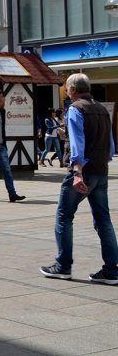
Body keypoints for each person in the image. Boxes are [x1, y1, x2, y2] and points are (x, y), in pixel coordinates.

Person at [41, 73, 117, 285]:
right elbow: (110, 145)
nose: (66, 91)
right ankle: (112, 269)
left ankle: (63, 265)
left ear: (72, 89)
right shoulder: (102, 109)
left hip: (83, 171)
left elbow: (77, 142)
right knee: (103, 220)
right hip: (101, 171)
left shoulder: (75, 109)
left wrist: (77, 171)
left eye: (67, 88)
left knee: (64, 215)